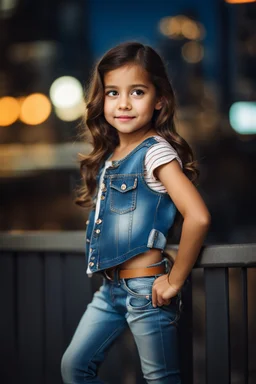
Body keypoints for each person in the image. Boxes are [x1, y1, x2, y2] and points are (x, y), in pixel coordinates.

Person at [61, 41, 211, 384]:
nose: (123, 103)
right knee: (74, 366)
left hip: (145, 290)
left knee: (160, 378)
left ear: (160, 99)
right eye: (113, 92)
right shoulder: (111, 155)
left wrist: (174, 280)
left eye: (137, 91)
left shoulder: (155, 152)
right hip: (109, 290)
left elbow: (198, 216)